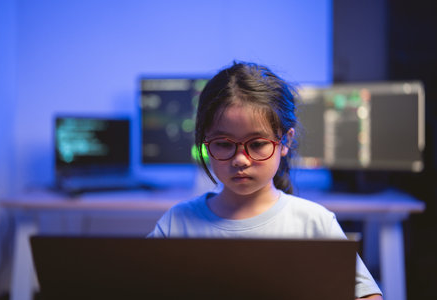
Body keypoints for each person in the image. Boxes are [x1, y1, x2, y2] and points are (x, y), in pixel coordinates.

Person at [148, 62, 383, 299]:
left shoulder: (314, 223)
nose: (240, 159)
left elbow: (368, 295)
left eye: (257, 144)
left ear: (285, 141)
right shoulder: (176, 224)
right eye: (223, 144)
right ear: (205, 142)